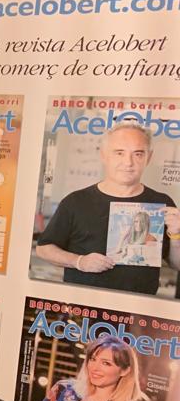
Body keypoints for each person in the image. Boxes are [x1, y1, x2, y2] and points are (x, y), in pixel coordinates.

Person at [36, 123, 180, 296]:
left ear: (148, 158)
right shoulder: (76, 201)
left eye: (138, 154)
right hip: (83, 305)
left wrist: (176, 234)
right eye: (119, 153)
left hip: (139, 306)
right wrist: (79, 261)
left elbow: (176, 264)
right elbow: (43, 248)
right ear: (104, 155)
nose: (128, 162)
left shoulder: (162, 203)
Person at [37, 334, 148, 401]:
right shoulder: (62, 389)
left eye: (106, 363)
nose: (95, 368)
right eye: (93, 359)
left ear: (124, 371)